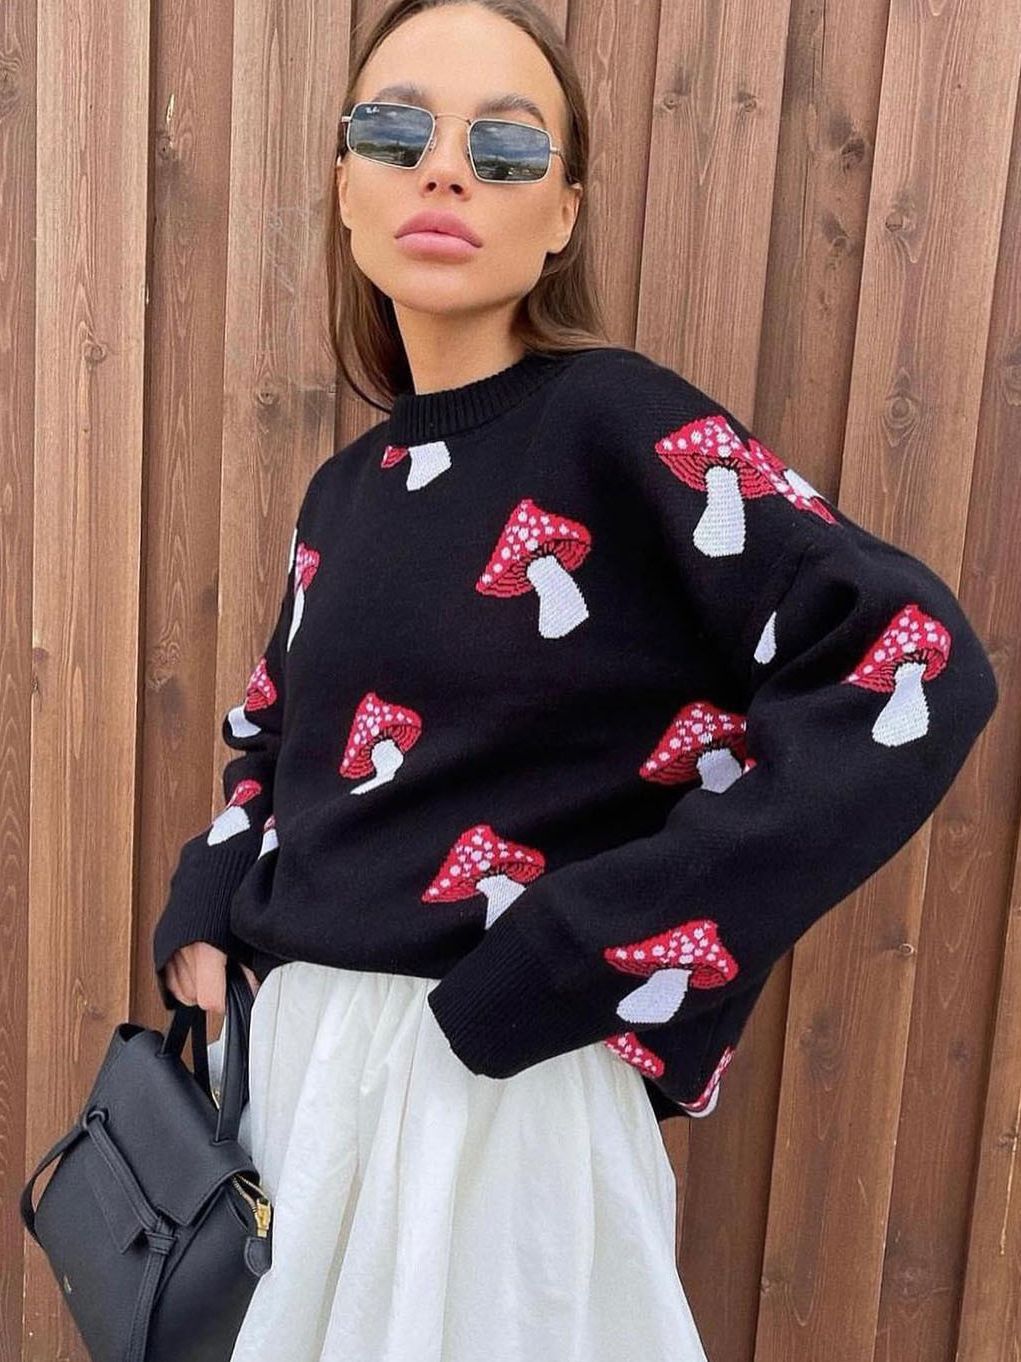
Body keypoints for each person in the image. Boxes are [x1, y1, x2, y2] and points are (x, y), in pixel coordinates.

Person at [152, 2, 999, 1359]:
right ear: (345, 185)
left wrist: (585, 946)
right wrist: (209, 897)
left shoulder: (615, 422)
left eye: (505, 147)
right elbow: (281, 738)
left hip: (496, 1093)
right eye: (396, 131)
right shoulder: (345, 490)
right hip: (303, 1081)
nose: (444, 169)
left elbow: (914, 663)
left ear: (562, 216)